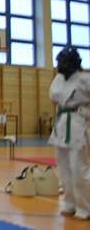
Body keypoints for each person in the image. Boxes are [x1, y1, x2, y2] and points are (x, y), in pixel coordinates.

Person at [49, 47, 90, 220]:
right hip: (61, 123)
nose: (61, 65)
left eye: (64, 62)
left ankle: (85, 207)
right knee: (64, 167)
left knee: (78, 167)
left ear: (73, 63)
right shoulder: (58, 79)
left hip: (77, 123)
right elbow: (53, 98)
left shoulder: (85, 79)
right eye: (59, 62)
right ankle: (69, 203)